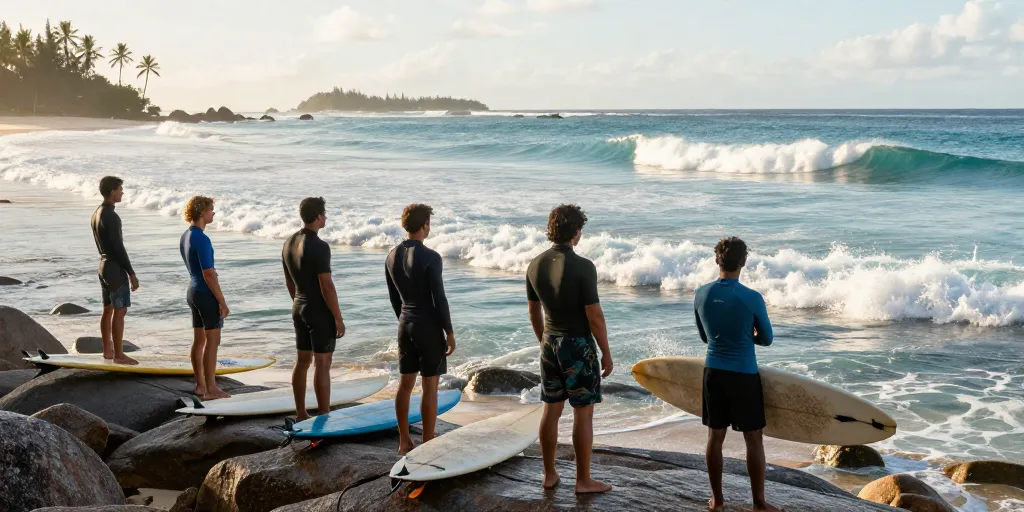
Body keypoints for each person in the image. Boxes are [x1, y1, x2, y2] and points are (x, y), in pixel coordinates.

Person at [526, 204, 613, 494]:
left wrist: (543, 340)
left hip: (549, 341)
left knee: (551, 410)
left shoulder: (535, 264)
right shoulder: (583, 266)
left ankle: (549, 474)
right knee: (582, 412)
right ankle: (583, 480)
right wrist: (606, 352)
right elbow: (594, 315)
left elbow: (533, 310)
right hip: (577, 344)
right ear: (576, 231)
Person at [694, 237, 780, 512]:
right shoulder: (752, 298)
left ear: (716, 260)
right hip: (743, 375)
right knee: (753, 438)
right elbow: (767, 339)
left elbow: (705, 337)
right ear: (743, 261)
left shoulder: (701, 294)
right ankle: (759, 503)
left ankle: (717, 501)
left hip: (713, 373)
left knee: (714, 437)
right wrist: (747, 335)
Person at [385, 203, 455, 455]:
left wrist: (405, 322)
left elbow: (394, 299)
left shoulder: (391, 256)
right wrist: (449, 331)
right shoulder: (431, 257)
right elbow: (439, 298)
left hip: (405, 325)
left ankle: (404, 441)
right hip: (428, 326)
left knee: (405, 384)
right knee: (429, 387)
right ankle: (427, 443)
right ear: (425, 224)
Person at [282, 197, 345, 421]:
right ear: (318, 217)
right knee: (322, 364)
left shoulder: (289, 243)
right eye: (324, 214)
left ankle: (301, 413)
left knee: (302, 362)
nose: (325, 217)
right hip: (318, 311)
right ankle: (324, 414)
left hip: (299, 306)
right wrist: (338, 318)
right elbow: (326, 286)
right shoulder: (320, 246)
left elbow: (289, 282)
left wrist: (300, 303)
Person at [179, 196, 230, 400]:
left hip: (193, 292)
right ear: (202, 212)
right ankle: (211, 389)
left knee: (199, 340)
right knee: (213, 342)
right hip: (205, 294)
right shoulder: (202, 238)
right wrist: (222, 301)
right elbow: (208, 273)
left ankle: (200, 385)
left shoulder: (186, 236)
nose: (213, 213)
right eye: (211, 209)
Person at [90, 176, 139, 366]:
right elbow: (118, 247)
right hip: (114, 269)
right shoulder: (112, 216)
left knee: (107, 310)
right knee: (120, 311)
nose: (122, 192)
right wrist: (131, 273)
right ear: (112, 192)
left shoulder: (96, 213)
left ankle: (107, 351)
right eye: (120, 189)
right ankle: (119, 354)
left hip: (103, 266)